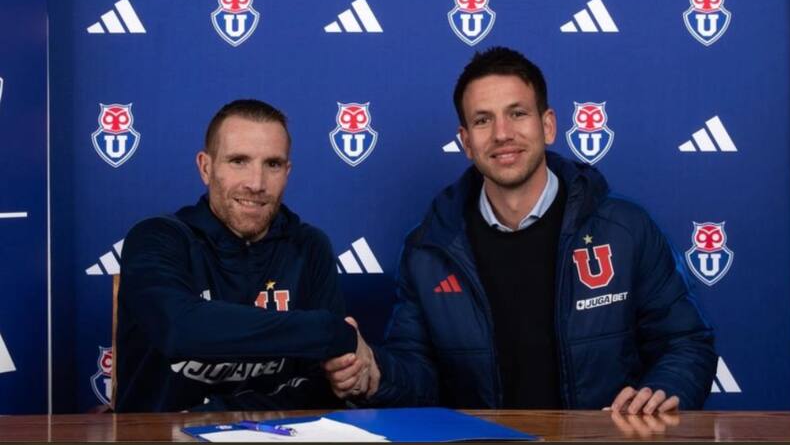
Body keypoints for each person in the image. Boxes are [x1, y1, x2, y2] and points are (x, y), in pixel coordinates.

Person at [324, 47, 717, 413]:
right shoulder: (428, 249)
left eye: (517, 114)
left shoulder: (626, 229)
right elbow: (419, 376)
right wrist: (374, 373)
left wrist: (663, 392)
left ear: (548, 125)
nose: (501, 134)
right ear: (465, 141)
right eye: (482, 120)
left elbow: (685, 344)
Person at [116, 99, 370, 412]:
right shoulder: (158, 238)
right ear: (206, 167)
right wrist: (328, 330)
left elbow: (323, 383)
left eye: (272, 164)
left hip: (279, 434)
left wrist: (223, 416)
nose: (256, 183)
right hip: (162, 437)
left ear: (287, 172)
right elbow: (179, 329)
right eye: (239, 161)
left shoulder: (309, 245)